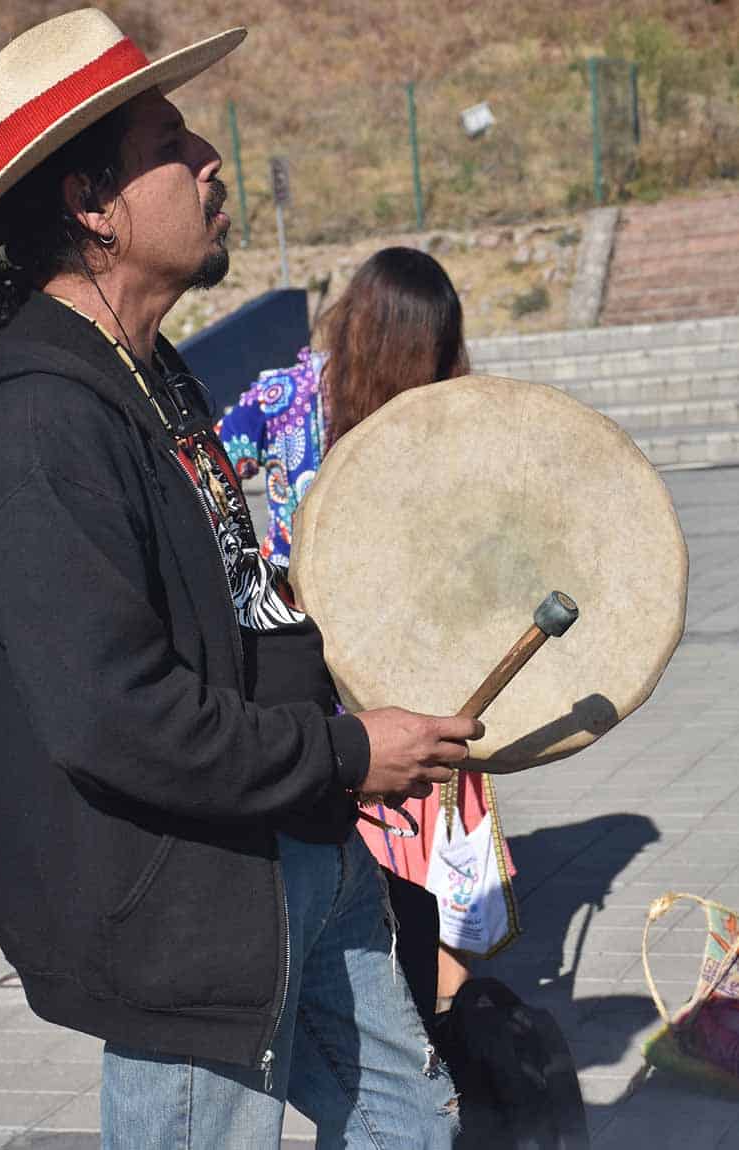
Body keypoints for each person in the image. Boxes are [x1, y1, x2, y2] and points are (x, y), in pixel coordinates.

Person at [0, 11, 485, 1149]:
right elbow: (119, 715)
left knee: (410, 1130)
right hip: (184, 910)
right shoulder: (33, 422)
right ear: (91, 204)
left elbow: (231, 620)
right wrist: (354, 751)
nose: (210, 159)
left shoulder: (149, 371)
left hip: (291, 851)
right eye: (171, 140)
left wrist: (349, 719)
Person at [220, 248, 517, 1012]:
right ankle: (450, 1016)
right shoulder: (446, 410)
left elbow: (210, 477)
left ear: (354, 313)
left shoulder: (283, 395)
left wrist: (262, 569)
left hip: (315, 672)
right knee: (438, 822)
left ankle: (393, 1004)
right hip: (424, 663)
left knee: (353, 857)